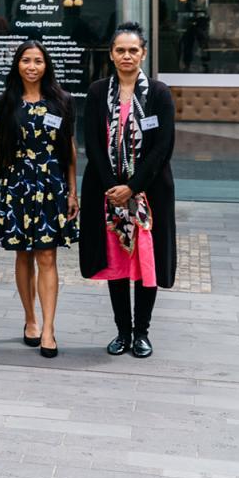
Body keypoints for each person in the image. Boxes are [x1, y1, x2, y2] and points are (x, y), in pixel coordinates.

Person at [80, 22, 177, 359]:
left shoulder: (160, 94)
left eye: (133, 50)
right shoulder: (96, 92)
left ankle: (142, 333)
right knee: (117, 264)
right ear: (111, 54)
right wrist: (112, 187)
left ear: (143, 53)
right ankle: (122, 331)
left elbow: (163, 148)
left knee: (145, 264)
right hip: (107, 195)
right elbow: (90, 142)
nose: (126, 56)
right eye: (120, 50)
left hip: (148, 195)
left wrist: (132, 187)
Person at [0, 40, 78, 358]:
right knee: (23, 255)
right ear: (17, 65)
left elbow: (69, 149)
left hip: (51, 186)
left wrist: (72, 190)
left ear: (47, 65)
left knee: (47, 257)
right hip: (17, 185)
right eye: (26, 60)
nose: (32, 66)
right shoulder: (5, 102)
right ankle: (30, 319)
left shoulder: (62, 101)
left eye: (38, 60)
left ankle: (49, 329)